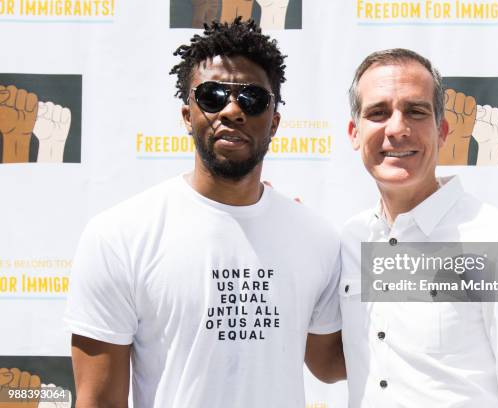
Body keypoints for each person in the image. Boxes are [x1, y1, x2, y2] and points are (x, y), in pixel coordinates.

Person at [64, 19, 344, 408]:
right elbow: (98, 400)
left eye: (252, 98)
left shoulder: (318, 238)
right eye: (212, 96)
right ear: (186, 116)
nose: (231, 110)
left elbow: (331, 363)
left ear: (275, 122)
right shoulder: (119, 236)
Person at [340, 48, 498, 407]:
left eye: (416, 111)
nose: (397, 128)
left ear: (442, 131)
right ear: (354, 133)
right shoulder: (351, 239)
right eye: (378, 113)